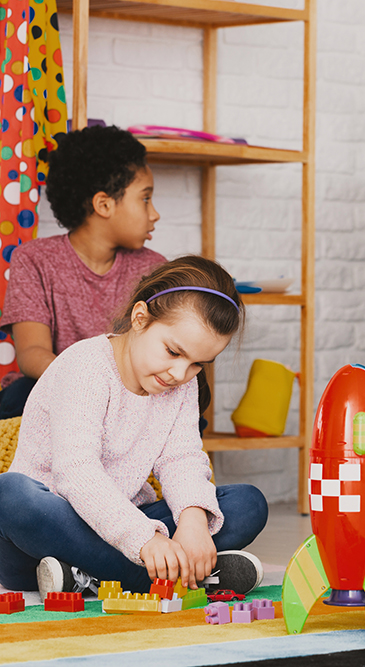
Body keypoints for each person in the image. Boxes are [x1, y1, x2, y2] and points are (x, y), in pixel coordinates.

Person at [0, 255, 269, 598]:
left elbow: (181, 457)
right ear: (140, 318)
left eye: (198, 364)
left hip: (128, 519)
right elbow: (76, 473)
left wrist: (192, 520)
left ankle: (87, 576)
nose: (180, 374)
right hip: (50, 530)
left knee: (248, 503)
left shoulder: (180, 385)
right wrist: (144, 540)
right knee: (10, 494)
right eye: (173, 352)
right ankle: (161, 578)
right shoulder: (86, 366)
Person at [0, 125, 165, 419]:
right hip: (58, 385)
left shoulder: (153, 269)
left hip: (129, 393)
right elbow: (32, 352)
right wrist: (89, 385)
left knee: (186, 406)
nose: (154, 214)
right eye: (145, 198)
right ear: (104, 204)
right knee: (16, 397)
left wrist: (118, 392)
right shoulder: (33, 259)